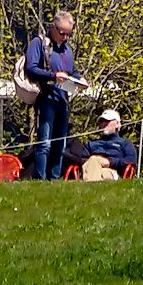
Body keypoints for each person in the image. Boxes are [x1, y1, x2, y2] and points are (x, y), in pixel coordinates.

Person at [23, 10, 80, 181]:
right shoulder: (39, 43)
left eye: (69, 34)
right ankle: (40, 177)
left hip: (63, 98)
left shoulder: (67, 48)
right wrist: (53, 76)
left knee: (60, 142)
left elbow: (72, 71)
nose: (65, 37)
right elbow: (31, 68)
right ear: (53, 27)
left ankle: (55, 177)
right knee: (44, 141)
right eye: (62, 33)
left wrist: (79, 80)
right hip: (46, 96)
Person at [75, 107, 138, 180]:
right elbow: (82, 159)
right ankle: (94, 185)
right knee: (95, 162)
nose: (104, 123)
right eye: (102, 121)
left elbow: (131, 159)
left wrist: (110, 161)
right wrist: (97, 161)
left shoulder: (124, 143)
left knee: (96, 164)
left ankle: (91, 184)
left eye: (107, 121)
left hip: (113, 172)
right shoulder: (92, 144)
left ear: (117, 124)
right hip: (92, 169)